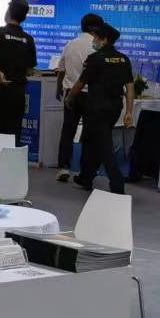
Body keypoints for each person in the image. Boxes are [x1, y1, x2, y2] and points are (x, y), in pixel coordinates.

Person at [64, 23, 133, 194]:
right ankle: (86, 177)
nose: (94, 40)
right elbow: (130, 87)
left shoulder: (95, 59)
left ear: (104, 40)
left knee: (104, 145)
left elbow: (80, 83)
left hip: (97, 108)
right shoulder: (124, 59)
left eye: (96, 37)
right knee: (92, 140)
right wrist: (129, 112)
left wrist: (69, 98)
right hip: (115, 107)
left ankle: (117, 183)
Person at [54, 12, 104, 182]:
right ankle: (85, 171)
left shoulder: (70, 44)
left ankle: (63, 167)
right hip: (92, 95)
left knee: (68, 131)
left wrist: (58, 88)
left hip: (71, 94)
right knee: (89, 134)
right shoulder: (98, 46)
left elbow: (61, 70)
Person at [0, 0, 36, 142]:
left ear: (9, 11)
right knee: (13, 136)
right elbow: (30, 70)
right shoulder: (28, 39)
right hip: (18, 95)